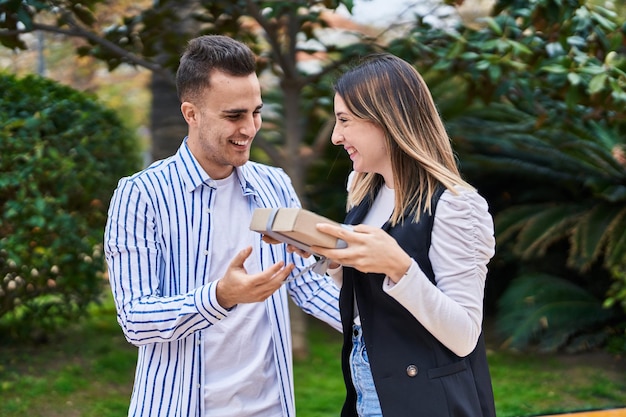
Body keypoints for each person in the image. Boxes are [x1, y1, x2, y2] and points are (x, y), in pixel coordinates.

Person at [103, 34, 341, 417]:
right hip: (180, 406)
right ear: (191, 113)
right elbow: (135, 319)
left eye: (256, 112)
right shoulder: (141, 195)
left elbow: (308, 284)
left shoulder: (275, 183)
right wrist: (220, 296)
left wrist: (375, 325)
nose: (249, 128)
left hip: (271, 407)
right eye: (234, 116)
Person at [309, 53, 497, 417]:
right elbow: (375, 309)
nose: (336, 136)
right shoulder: (363, 188)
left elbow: (464, 335)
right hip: (368, 383)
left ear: (386, 120)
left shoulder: (457, 206)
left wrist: (400, 268)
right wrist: (334, 259)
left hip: (426, 401)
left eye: (344, 120)